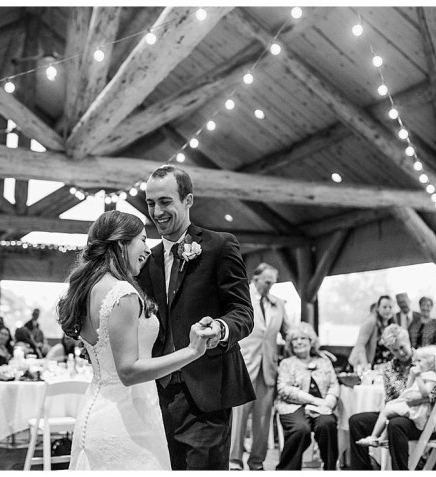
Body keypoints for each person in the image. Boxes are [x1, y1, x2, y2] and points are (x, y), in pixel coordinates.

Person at [57, 210, 220, 470]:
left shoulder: (89, 288)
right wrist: (191, 351)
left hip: (96, 410)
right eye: (143, 240)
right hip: (127, 421)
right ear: (122, 243)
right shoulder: (122, 293)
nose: (147, 249)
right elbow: (129, 371)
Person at [136, 165, 255, 470]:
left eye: (165, 202)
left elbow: (243, 311)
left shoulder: (220, 245)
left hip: (207, 390)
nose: (157, 212)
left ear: (188, 200)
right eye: (151, 203)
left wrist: (220, 327)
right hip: (159, 394)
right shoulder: (148, 261)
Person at [347, 325, 436, 470]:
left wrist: (424, 398)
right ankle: (362, 470)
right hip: (398, 412)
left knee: (396, 424)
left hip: (423, 418)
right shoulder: (389, 369)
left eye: (402, 347)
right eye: (395, 350)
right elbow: (390, 399)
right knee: (356, 421)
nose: (400, 352)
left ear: (408, 341)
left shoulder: (425, 360)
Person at [230, 262, 293, 470]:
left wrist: (312, 346)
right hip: (244, 365)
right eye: (267, 283)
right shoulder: (241, 297)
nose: (270, 287)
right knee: (238, 417)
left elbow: (288, 333)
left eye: (273, 283)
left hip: (268, 369)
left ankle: (257, 461)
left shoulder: (278, 303)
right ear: (255, 279)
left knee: (263, 418)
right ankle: (234, 461)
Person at [275, 323, 339, 470]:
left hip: (322, 407)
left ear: (311, 341)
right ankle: (287, 471)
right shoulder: (286, 363)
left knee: (327, 424)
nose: (298, 342)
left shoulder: (324, 361)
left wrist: (329, 401)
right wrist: (313, 400)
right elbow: (283, 388)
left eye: (303, 338)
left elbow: (334, 384)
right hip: (292, 407)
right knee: (301, 429)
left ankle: (330, 469)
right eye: (294, 339)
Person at [356, 345, 436, 447]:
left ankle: (374, 437)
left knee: (386, 412)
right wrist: (412, 376)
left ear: (431, 362)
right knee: (388, 411)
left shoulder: (431, 376)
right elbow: (408, 388)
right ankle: (381, 438)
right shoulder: (391, 366)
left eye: (420, 361)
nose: (416, 364)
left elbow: (425, 393)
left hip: (417, 410)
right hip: (409, 405)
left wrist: (418, 377)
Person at [348, 295, 397, 370]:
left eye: (390, 307)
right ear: (378, 308)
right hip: (362, 365)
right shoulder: (371, 321)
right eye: (384, 307)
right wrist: (365, 366)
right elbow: (360, 345)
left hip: (380, 366)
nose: (387, 310)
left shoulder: (392, 323)